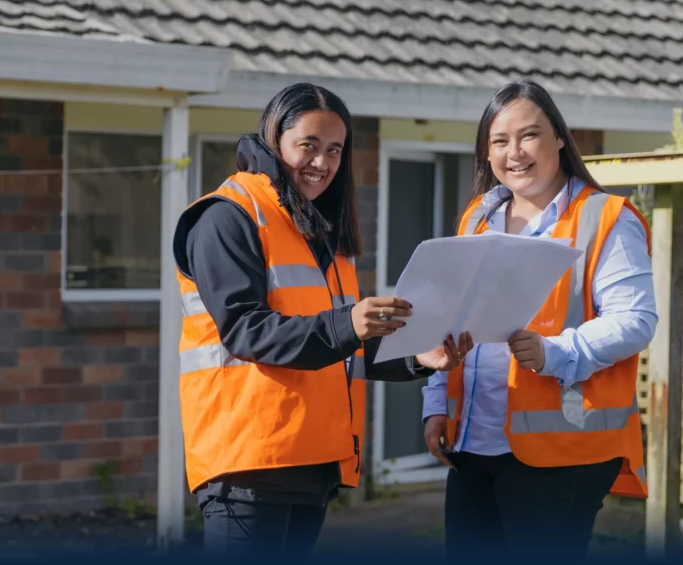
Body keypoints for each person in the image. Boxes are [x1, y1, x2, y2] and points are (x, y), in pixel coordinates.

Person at [172, 83, 472, 556]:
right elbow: (247, 331)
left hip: (309, 462)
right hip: (250, 463)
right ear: (274, 140)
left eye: (334, 150)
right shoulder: (226, 217)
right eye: (308, 145)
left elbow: (341, 345)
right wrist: (348, 324)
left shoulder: (315, 230)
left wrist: (418, 356)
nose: (322, 163)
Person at [422, 79, 658, 559]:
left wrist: (557, 351)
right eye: (499, 141)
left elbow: (635, 320)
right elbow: (447, 319)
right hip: (472, 442)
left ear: (559, 139)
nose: (515, 152)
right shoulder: (476, 220)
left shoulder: (605, 217)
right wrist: (435, 403)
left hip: (563, 451)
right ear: (486, 153)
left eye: (529, 135)